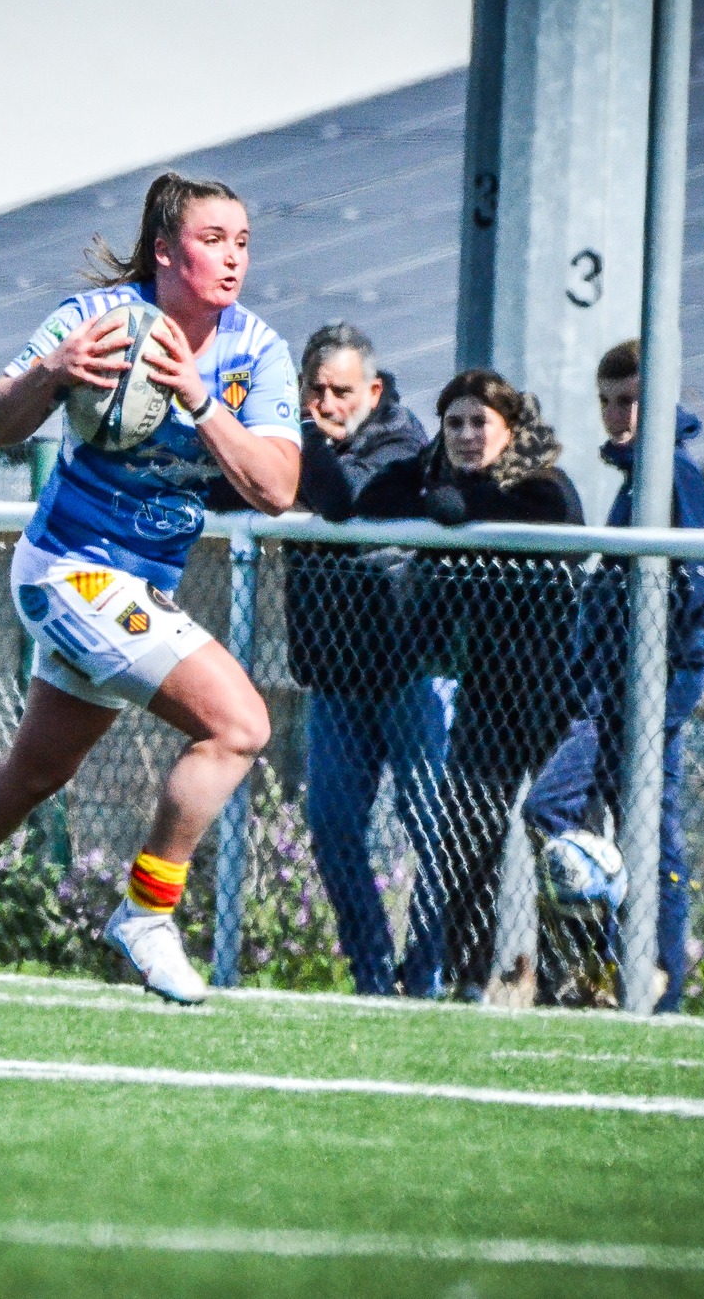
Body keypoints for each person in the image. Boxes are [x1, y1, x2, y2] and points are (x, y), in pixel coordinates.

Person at [0, 170, 300, 1005]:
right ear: (166, 249)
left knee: (37, 772)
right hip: (69, 569)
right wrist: (53, 373)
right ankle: (147, 911)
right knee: (240, 724)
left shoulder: (256, 351)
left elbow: (276, 487)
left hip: (137, 583)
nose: (234, 258)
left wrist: (200, 399)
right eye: (213, 240)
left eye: (243, 242)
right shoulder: (94, 321)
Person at [357, 370, 585, 1000]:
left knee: (567, 841)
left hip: (555, 693)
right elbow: (370, 501)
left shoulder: (540, 481)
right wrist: (432, 496)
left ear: (509, 428)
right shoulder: (441, 481)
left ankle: (577, 976)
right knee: (461, 838)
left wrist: (465, 510)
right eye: (453, 422)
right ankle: (468, 974)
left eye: (480, 421)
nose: (465, 434)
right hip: (487, 694)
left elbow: (559, 520)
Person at [522, 339, 704, 1012]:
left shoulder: (674, 476)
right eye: (606, 401)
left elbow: (693, 596)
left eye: (629, 399)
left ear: (660, 399)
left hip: (643, 697)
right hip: (613, 692)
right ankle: (621, 967)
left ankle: (657, 979)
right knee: (626, 827)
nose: (617, 414)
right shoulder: (636, 476)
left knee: (575, 813)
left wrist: (659, 700)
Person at [286, 323, 449, 997]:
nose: (327, 403)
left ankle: (431, 969)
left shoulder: (402, 445)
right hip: (337, 679)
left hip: (410, 673)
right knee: (330, 823)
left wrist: (301, 447)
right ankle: (372, 971)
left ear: (373, 390)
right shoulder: (306, 444)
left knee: (434, 827)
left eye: (342, 391)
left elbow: (346, 501)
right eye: (316, 391)